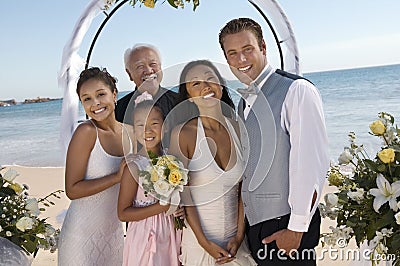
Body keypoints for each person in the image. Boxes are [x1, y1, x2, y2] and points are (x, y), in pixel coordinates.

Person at [218, 18, 330, 265]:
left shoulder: (296, 90)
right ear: (227, 60)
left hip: (286, 226)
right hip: (257, 228)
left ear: (263, 48)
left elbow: (310, 164)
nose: (242, 60)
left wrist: (297, 228)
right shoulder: (243, 102)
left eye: (248, 49)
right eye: (233, 53)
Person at [169, 60, 257, 266]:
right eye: (196, 84)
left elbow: (244, 190)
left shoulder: (238, 127)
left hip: (237, 244)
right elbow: (185, 195)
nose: (206, 87)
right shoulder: (183, 134)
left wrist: (238, 237)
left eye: (210, 79)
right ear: (188, 97)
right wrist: (204, 243)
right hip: (200, 245)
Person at [58, 67, 128, 265]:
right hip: (80, 238)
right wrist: (116, 177)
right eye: (86, 99)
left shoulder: (130, 133)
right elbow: (72, 189)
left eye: (100, 94)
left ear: (114, 94)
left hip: (114, 235)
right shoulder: (85, 132)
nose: (95, 103)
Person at [117, 99, 181, 266]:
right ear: (134, 129)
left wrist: (179, 208)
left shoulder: (172, 158)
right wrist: (160, 207)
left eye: (154, 123)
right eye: (140, 125)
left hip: (171, 231)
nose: (147, 130)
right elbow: (123, 213)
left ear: (165, 126)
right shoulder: (134, 166)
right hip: (146, 234)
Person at [115, 43, 177, 125]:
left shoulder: (180, 102)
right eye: (140, 66)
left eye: (153, 64)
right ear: (129, 74)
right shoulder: (117, 111)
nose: (148, 70)